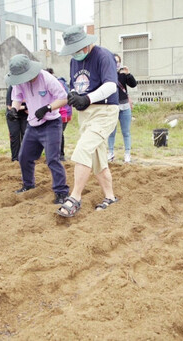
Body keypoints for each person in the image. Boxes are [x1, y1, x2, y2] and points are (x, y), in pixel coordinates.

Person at [56, 25, 120, 217]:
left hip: (104, 111)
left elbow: (110, 85)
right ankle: (110, 196)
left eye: (76, 50)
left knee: (83, 148)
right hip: (85, 114)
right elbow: (74, 85)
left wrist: (88, 98)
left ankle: (75, 197)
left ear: (86, 45)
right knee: (97, 158)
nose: (74, 54)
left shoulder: (103, 56)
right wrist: (76, 96)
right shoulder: (74, 62)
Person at [5, 54, 70, 204]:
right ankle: (28, 185)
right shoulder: (19, 81)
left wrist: (48, 107)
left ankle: (61, 192)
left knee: (53, 159)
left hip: (51, 124)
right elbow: (17, 97)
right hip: (33, 125)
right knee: (24, 157)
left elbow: (64, 98)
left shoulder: (46, 78)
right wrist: (14, 110)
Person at [108, 53, 137, 163]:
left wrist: (128, 74)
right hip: (112, 106)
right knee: (111, 132)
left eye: (118, 61)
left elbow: (133, 84)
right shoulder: (107, 74)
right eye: (114, 61)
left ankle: (127, 154)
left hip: (124, 106)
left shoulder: (123, 74)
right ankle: (110, 153)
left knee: (126, 132)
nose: (116, 64)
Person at [45, 68, 72, 161]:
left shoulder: (57, 83)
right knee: (57, 133)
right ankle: (57, 154)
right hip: (57, 112)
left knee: (58, 134)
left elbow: (62, 99)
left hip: (63, 112)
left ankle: (60, 155)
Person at [5, 86, 28, 162]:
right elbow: (10, 106)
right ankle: (15, 158)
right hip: (13, 115)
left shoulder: (28, 87)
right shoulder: (12, 87)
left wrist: (26, 107)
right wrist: (25, 107)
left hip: (25, 115)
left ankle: (25, 157)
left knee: (26, 135)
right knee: (14, 135)